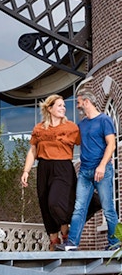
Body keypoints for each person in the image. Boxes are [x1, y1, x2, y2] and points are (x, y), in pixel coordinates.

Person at [57, 89, 120, 251]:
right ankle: (72, 243)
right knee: (79, 208)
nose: (77, 105)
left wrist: (102, 165)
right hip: (85, 172)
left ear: (86, 101)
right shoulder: (82, 124)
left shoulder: (104, 120)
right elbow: (76, 141)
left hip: (102, 171)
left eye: (78, 102)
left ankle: (115, 243)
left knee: (108, 208)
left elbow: (111, 144)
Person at [21, 94, 80, 250]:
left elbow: (85, 143)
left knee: (55, 202)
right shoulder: (39, 128)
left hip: (63, 168)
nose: (63, 108)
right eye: (59, 105)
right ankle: (54, 241)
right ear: (49, 108)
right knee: (45, 204)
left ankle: (66, 230)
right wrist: (26, 171)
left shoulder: (71, 127)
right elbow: (32, 151)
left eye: (64, 106)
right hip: (43, 168)